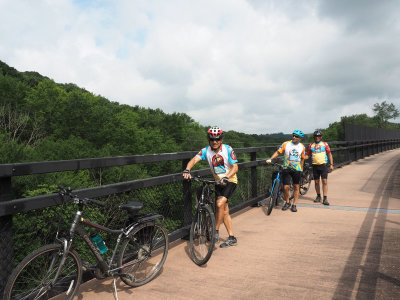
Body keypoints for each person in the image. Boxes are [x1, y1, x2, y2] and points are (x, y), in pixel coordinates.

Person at [182, 126, 239, 248]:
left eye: (217, 139)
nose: (215, 142)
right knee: (225, 210)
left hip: (230, 180)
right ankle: (232, 237)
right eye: (212, 139)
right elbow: (193, 160)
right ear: (209, 140)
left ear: (221, 140)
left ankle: (215, 231)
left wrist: (227, 177)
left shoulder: (228, 149)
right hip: (217, 182)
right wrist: (187, 169)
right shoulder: (205, 151)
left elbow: (235, 167)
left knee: (219, 204)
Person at [266, 130, 306, 212]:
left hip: (296, 169)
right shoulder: (286, 144)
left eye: (296, 136)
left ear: (300, 138)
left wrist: (301, 167)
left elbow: (302, 158)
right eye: (293, 135)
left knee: (296, 187)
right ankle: (287, 202)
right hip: (286, 167)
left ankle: (294, 204)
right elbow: (278, 152)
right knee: (285, 187)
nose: (294, 137)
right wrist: (270, 159)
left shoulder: (302, 146)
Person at [304, 130, 334, 205]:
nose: (317, 138)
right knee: (316, 182)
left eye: (318, 136)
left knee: (324, 181)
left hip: (323, 165)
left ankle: (325, 198)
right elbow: (308, 155)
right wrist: (301, 157)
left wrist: (331, 164)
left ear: (321, 137)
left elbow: (329, 154)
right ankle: (318, 196)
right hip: (315, 166)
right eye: (316, 136)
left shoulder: (325, 144)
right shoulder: (311, 145)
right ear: (314, 137)